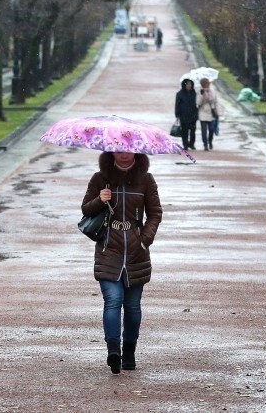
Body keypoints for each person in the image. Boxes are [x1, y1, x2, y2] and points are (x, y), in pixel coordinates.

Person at [81, 151, 162, 374]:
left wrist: (145, 239)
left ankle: (129, 351)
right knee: (113, 300)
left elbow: (155, 213)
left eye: (128, 150)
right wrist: (100, 199)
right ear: (111, 151)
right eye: (119, 150)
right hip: (109, 250)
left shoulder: (146, 179)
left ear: (136, 151)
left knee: (133, 306)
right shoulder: (100, 178)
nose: (124, 154)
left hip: (137, 253)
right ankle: (113, 351)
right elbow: (86, 209)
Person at [174, 78, 198, 150]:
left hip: (193, 114)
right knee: (184, 131)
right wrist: (177, 114)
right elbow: (177, 104)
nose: (189, 85)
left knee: (193, 131)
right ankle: (185, 144)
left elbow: (197, 103)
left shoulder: (194, 93)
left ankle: (192, 143)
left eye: (190, 84)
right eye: (187, 84)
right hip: (183, 115)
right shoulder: (180, 94)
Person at [197, 77, 219, 151]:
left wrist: (216, 110)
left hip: (211, 112)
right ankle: (205, 144)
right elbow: (198, 103)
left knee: (211, 129)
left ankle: (210, 141)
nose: (207, 85)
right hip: (202, 112)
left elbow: (215, 101)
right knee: (204, 130)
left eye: (208, 83)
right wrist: (202, 96)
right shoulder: (200, 92)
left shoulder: (212, 91)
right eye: (205, 84)